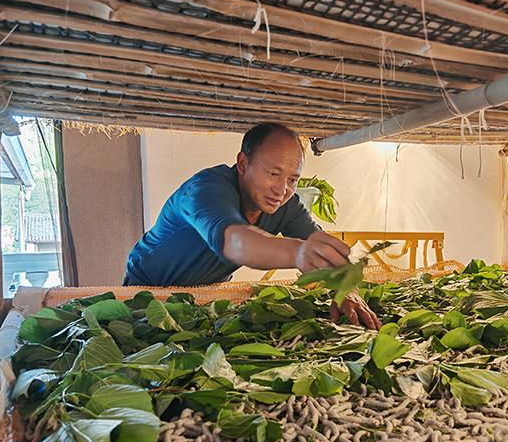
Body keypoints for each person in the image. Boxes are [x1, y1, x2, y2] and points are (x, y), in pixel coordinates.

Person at [125, 123, 381, 329]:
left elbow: (323, 246)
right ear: (243, 164)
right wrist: (298, 253)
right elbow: (236, 242)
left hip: (208, 291)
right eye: (273, 174)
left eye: (292, 179)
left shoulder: (286, 205)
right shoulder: (206, 189)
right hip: (147, 289)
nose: (282, 190)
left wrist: (346, 289)